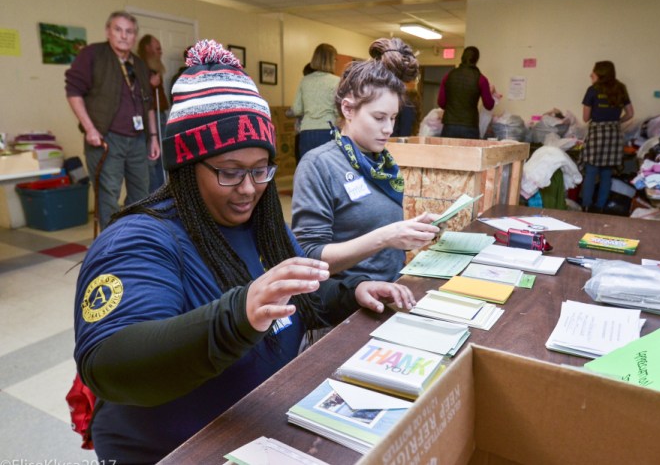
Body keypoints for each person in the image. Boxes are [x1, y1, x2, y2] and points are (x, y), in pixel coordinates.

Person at [72, 40, 414, 464]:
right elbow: (110, 364)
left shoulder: (263, 226)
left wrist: (353, 292)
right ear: (184, 167)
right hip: (174, 452)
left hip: (255, 432)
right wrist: (238, 314)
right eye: (230, 172)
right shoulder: (140, 240)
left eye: (260, 170)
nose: (250, 188)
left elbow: (296, 299)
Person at [292, 38, 441, 283]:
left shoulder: (383, 163)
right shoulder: (319, 165)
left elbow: (375, 231)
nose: (388, 129)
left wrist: (410, 232)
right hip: (348, 301)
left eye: (393, 118)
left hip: (393, 286)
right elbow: (310, 257)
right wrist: (387, 236)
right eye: (379, 117)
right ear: (348, 110)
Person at [65, 11, 160, 229]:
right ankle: (111, 248)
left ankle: (132, 236)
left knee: (141, 193)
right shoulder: (92, 55)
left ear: (135, 36)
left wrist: (153, 137)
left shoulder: (138, 64)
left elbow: (149, 105)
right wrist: (90, 129)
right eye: (118, 29)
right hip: (106, 138)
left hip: (137, 139)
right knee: (108, 194)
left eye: (129, 31)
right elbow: (73, 92)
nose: (124, 36)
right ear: (108, 31)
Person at [579, 60, 634, 213]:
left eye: (594, 71)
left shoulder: (592, 90)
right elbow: (630, 113)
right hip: (614, 133)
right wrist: (616, 121)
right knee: (606, 172)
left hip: (597, 133)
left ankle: (586, 206)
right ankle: (600, 207)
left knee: (591, 171)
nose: (591, 74)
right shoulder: (621, 88)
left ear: (600, 73)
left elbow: (585, 117)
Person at [289, 43, 339, 160]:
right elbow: (338, 111)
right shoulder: (337, 81)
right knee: (328, 170)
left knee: (308, 170)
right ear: (331, 60)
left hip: (306, 132)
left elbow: (296, 109)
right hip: (328, 131)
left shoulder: (304, 80)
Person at [438, 46, 500, 139]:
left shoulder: (448, 76)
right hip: (470, 126)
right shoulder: (481, 79)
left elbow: (441, 103)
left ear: (462, 58)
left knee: (448, 153)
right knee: (469, 153)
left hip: (449, 125)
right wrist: (491, 93)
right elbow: (489, 105)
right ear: (476, 60)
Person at [137, 34, 168, 193]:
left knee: (163, 157)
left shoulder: (154, 67)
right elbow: (137, 93)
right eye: (157, 47)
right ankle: (154, 195)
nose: (160, 50)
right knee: (153, 157)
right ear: (147, 48)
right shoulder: (140, 67)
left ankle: (162, 193)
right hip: (151, 117)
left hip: (160, 115)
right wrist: (150, 84)